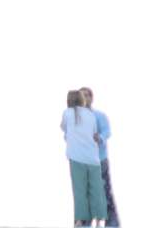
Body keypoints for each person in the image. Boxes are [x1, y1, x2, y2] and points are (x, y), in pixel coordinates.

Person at [62, 90, 106, 226]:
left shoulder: (66, 113)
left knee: (79, 190)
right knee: (96, 190)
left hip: (76, 157)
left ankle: (80, 221)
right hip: (93, 158)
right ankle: (99, 219)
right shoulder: (90, 115)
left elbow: (63, 128)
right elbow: (93, 133)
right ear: (82, 100)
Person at [80, 87, 119, 226]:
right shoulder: (74, 119)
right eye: (81, 96)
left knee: (104, 193)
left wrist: (100, 138)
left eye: (86, 95)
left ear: (91, 98)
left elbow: (107, 132)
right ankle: (84, 224)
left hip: (99, 161)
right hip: (82, 162)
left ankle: (112, 224)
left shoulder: (99, 116)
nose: (84, 98)